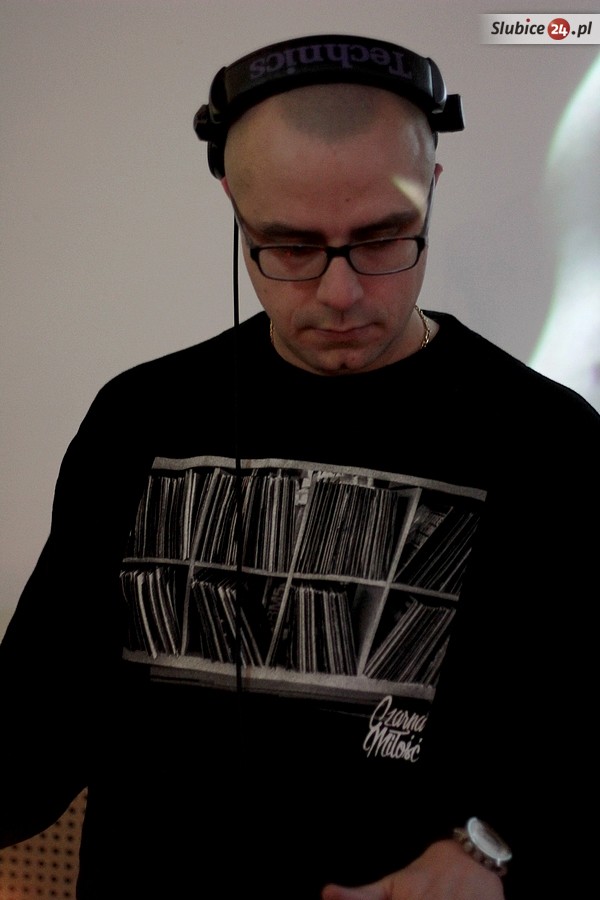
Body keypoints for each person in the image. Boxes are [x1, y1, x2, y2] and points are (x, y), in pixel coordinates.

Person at [0, 32, 598, 900]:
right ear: (233, 205)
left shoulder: (552, 443)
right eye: (289, 249)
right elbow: (36, 730)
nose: (340, 293)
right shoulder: (138, 418)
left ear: (432, 187)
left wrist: (490, 856)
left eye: (384, 238)